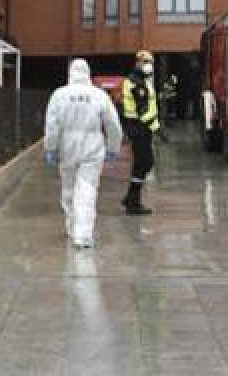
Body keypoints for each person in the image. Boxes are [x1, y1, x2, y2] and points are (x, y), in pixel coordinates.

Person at [44, 59, 124, 249]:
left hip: (67, 147)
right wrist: (113, 147)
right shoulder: (99, 95)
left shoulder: (60, 94)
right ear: (87, 73)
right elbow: (113, 124)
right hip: (92, 148)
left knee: (69, 189)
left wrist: (51, 147)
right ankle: (83, 235)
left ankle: (72, 228)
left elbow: (52, 125)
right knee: (87, 190)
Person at [121, 50, 164, 216]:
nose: (149, 65)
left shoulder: (142, 81)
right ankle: (133, 202)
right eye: (145, 62)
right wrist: (157, 128)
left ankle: (131, 198)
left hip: (141, 128)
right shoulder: (135, 82)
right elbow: (143, 111)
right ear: (137, 62)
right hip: (139, 127)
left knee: (142, 163)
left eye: (150, 62)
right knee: (145, 162)